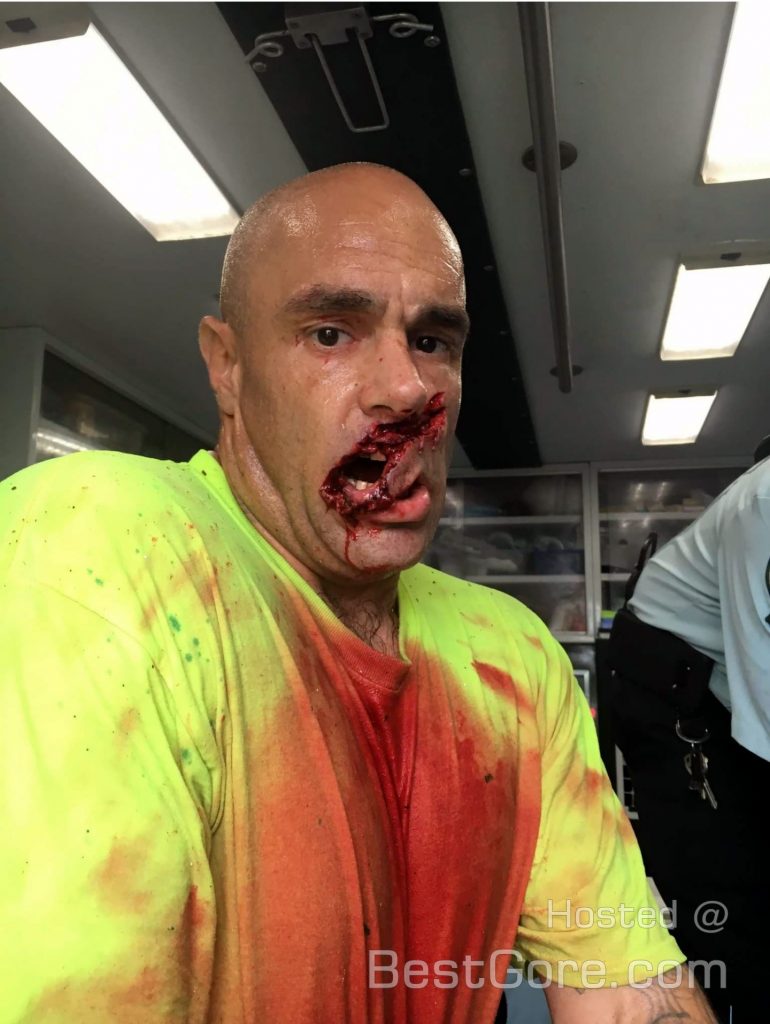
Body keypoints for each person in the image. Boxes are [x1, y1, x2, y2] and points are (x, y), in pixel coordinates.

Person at [0, 163, 715, 1023]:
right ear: (227, 367)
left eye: (433, 340)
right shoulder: (102, 545)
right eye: (331, 333)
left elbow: (624, 986)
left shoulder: (514, 655)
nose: (408, 388)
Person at [609, 437, 770, 1023]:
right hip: (669, 698)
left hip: (719, 685)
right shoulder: (765, 504)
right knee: (722, 892)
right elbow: (764, 688)